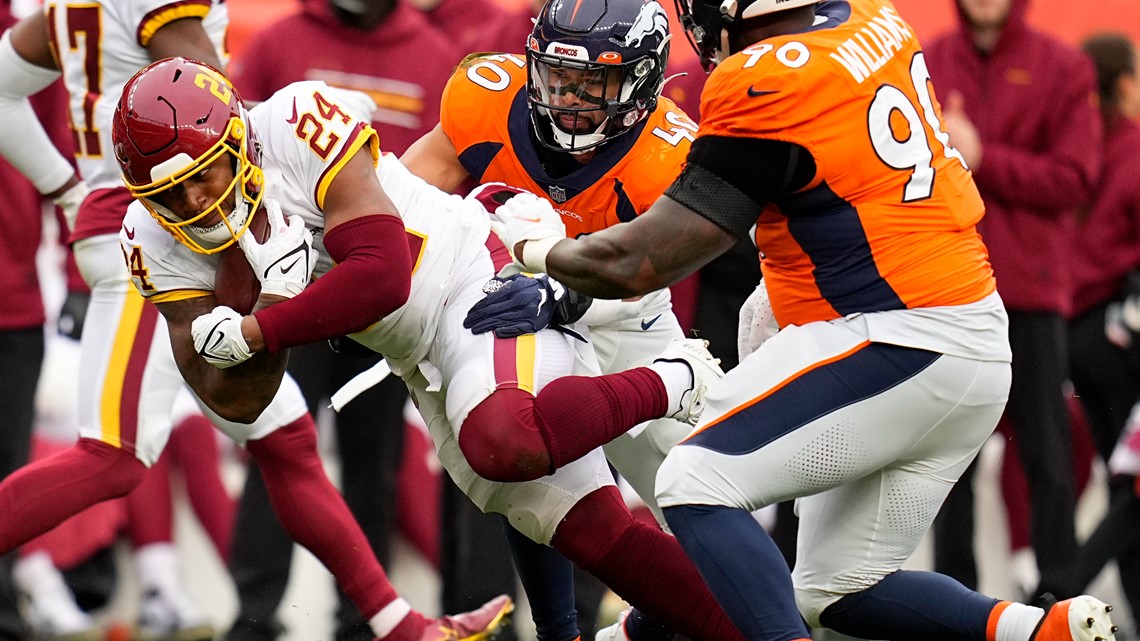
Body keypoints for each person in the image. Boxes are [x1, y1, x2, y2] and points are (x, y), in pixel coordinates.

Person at [476, 0, 1123, 639]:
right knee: (834, 589)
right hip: (969, 337)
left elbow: (642, 260)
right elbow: (834, 179)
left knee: (695, 478)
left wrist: (537, 247)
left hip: (901, 337)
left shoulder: (764, 77)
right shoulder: (872, 16)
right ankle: (1040, 631)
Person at [110, 55, 749, 641]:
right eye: (168, 195)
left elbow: (383, 272)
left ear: (237, 139)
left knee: (504, 439)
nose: (192, 201)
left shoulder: (293, 121)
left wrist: (260, 326)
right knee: (577, 521)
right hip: (416, 354)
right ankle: (765, 632)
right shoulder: (153, 241)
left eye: (203, 174)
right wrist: (264, 312)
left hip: (472, 271)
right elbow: (239, 400)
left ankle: (675, 376)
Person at [0, 4, 513, 641]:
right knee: (113, 454)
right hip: (173, 237)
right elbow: (215, 128)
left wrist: (67, 191)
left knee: (287, 439)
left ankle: (400, 626)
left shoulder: (61, 7)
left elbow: (4, 92)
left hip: (144, 220)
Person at [400, 1, 700, 638]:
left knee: (705, 506)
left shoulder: (668, 153)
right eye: (559, 78)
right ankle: (558, 631)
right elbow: (401, 213)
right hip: (516, 307)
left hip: (626, 321)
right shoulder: (485, 99)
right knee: (525, 467)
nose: (570, 98)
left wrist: (568, 292)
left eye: (595, 83)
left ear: (642, 81)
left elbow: (655, 267)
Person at [222, 3, 460, 640]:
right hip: (288, 287)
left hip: (382, 297)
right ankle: (253, 616)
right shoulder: (281, 41)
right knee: (275, 448)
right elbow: (226, 158)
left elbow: (444, 186)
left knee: (372, 465)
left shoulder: (433, 53)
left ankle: (364, 623)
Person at [923, 0, 1102, 598]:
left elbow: (1076, 177)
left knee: (1046, 451)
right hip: (946, 291)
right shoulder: (926, 59)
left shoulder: (1062, 66)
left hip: (1031, 293)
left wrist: (982, 159)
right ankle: (953, 598)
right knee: (948, 460)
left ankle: (1059, 596)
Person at [1067, 31, 1140, 629]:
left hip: (1076, 334)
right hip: (1123, 338)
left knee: (1124, 478)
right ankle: (1054, 594)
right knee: (1131, 491)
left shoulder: (1081, 145)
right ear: (1123, 82)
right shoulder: (1134, 148)